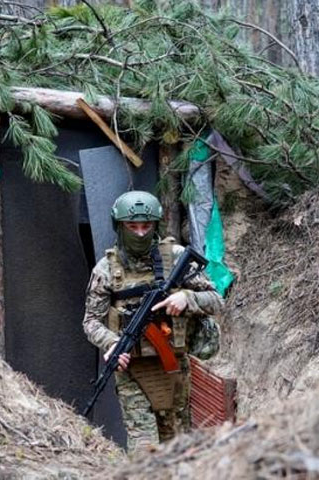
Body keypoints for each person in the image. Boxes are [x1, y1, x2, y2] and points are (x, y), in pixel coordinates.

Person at [83, 190, 223, 453]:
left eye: (146, 226)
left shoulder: (177, 257)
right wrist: (112, 343)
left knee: (177, 443)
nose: (139, 233)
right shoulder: (105, 270)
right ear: (119, 226)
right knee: (144, 447)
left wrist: (187, 297)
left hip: (173, 366)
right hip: (131, 369)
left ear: (155, 225)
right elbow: (90, 321)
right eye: (131, 226)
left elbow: (217, 300)